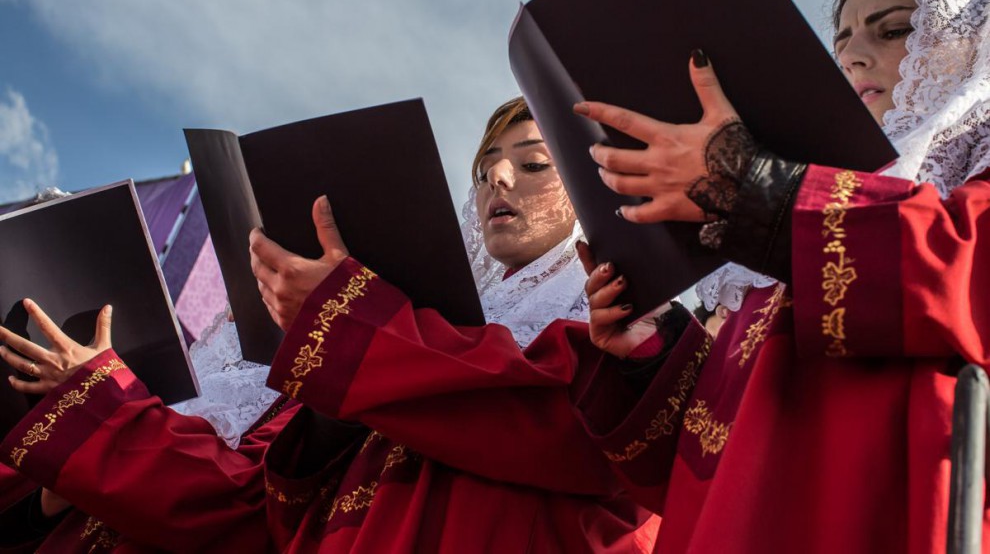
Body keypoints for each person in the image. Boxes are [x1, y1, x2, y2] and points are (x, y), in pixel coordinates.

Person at [0, 97, 655, 552]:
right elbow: (288, 510)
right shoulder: (382, 356)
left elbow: (569, 432)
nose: (497, 179)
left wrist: (102, 406)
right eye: (483, 170)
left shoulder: (621, 324)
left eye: (534, 163)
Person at [571, 0, 990, 552]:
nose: (853, 55)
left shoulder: (959, 170)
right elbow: (710, 445)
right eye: (841, 41)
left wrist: (755, 189)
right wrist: (654, 347)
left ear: (966, 46)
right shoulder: (798, 216)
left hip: (888, 507)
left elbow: (963, 278)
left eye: (895, 30)